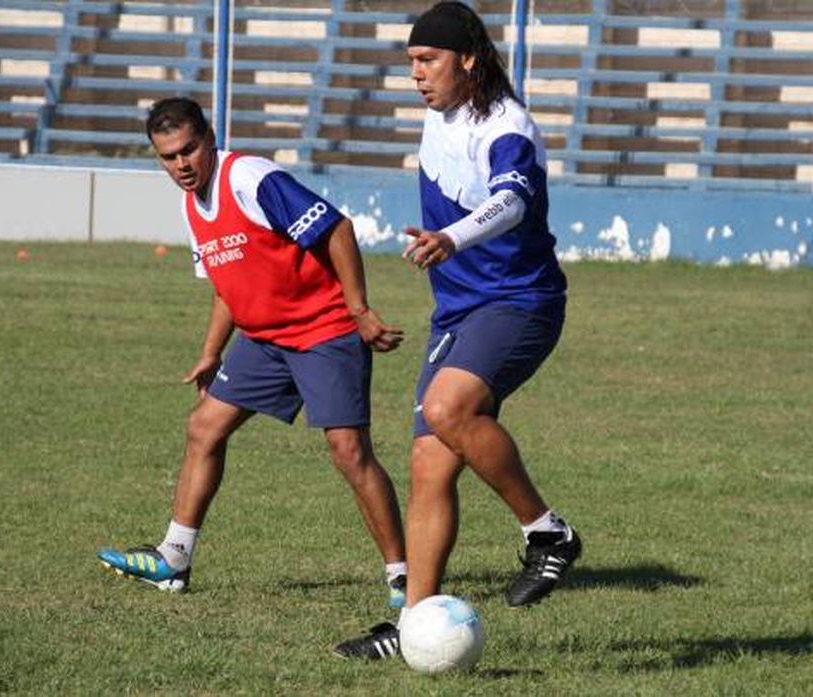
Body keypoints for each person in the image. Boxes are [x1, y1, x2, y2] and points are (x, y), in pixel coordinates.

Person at [334, 2, 581, 659]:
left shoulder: (508, 126)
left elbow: (512, 198)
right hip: (459, 311)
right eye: (411, 62)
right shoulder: (441, 112)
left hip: (518, 302)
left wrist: (452, 235)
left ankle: (546, 530)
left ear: (468, 58)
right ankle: (414, 624)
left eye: (428, 60)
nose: (416, 74)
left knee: (447, 409)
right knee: (426, 463)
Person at [97, 97, 408, 608]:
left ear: (210, 138)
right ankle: (173, 559)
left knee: (349, 452)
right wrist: (210, 351)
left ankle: (403, 578)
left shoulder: (251, 180)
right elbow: (227, 286)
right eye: (168, 156)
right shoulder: (189, 203)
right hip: (264, 341)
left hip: (323, 329)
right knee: (203, 427)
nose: (181, 164)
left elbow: (338, 228)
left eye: (189, 150)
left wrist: (359, 311)